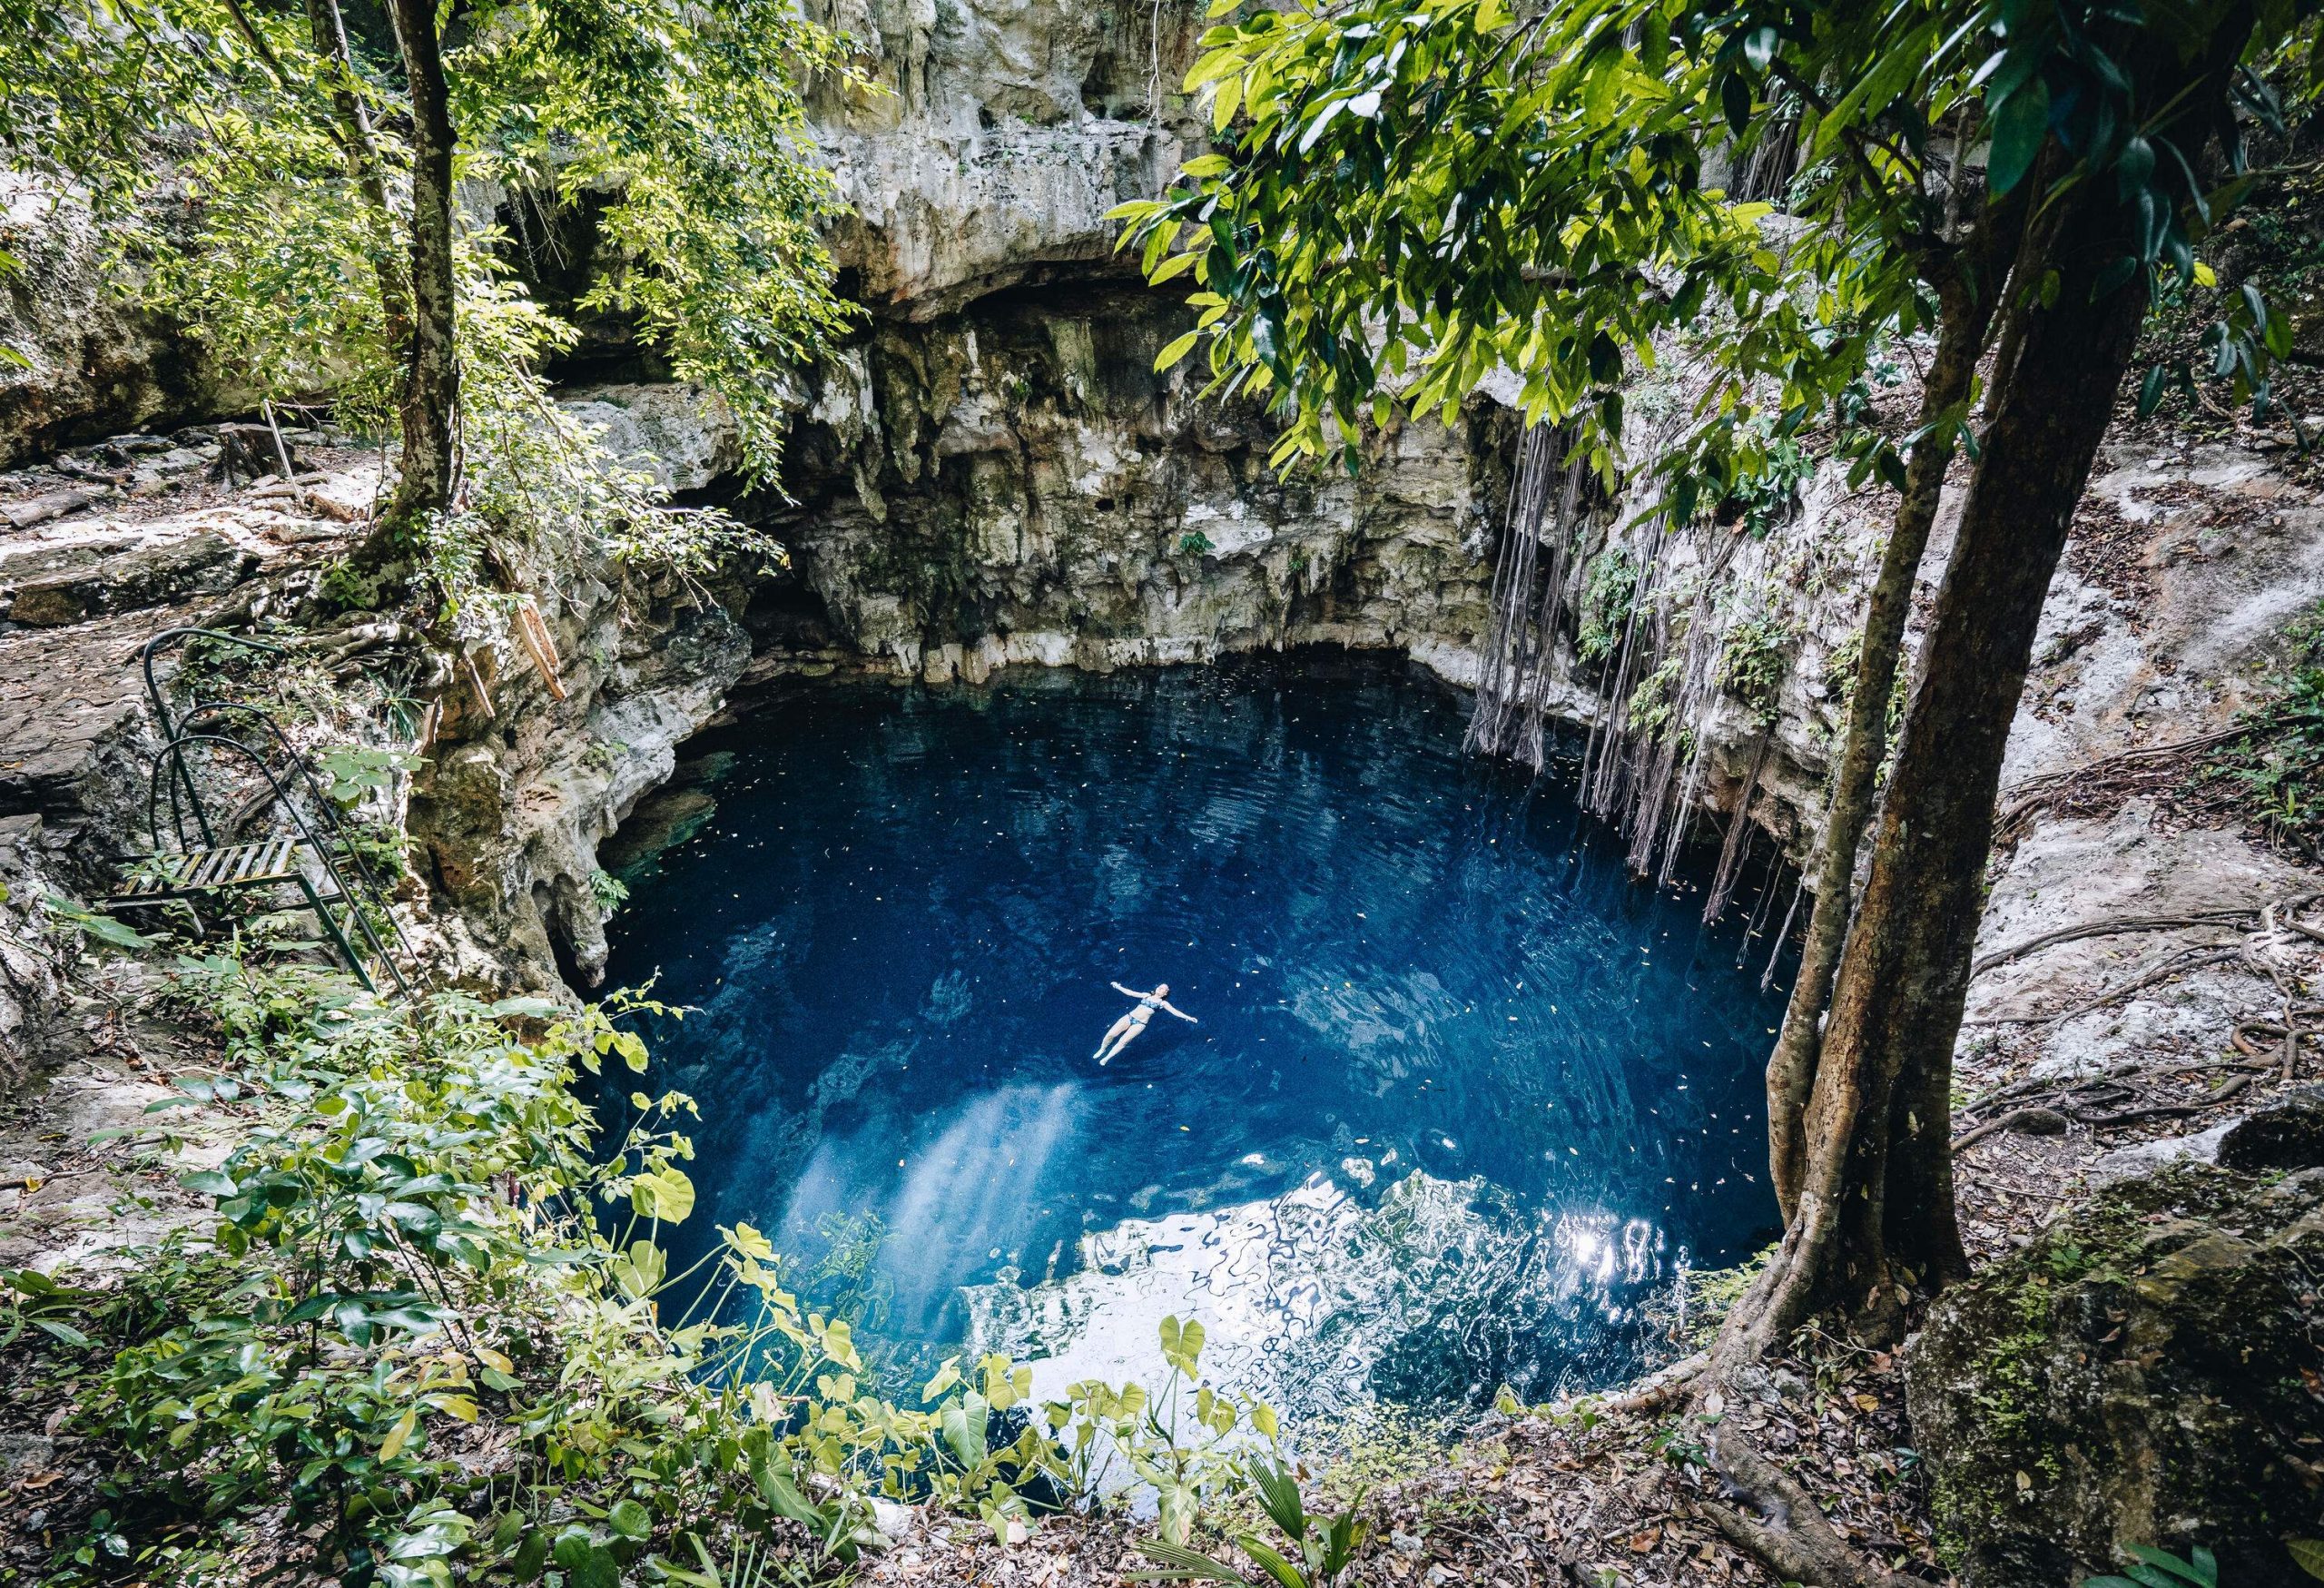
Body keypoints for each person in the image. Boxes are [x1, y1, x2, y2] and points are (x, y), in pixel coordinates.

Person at [1095, 981, 1197, 1065]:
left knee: (1123, 1042)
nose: (1160, 989)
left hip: (1140, 1024)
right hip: (1129, 1017)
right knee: (1111, 1034)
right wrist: (1117, 986)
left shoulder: (1163, 1003)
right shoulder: (1146, 995)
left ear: (1165, 994)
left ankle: (1107, 1058)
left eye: (1163, 989)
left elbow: (1175, 1012)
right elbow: (1130, 993)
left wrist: (1188, 1017)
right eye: (1160, 987)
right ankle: (1102, 1049)